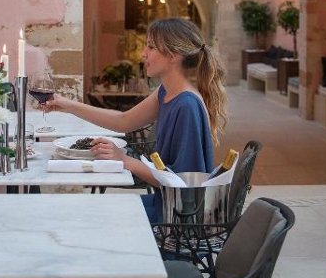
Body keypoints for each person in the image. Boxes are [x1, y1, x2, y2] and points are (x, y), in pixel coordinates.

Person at [45, 17, 228, 223]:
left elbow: (182, 184)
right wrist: (67, 106)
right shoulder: (167, 92)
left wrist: (124, 160)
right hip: (165, 204)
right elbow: (123, 121)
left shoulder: (186, 105)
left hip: (177, 220)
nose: (143, 53)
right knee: (90, 211)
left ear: (173, 56)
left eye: (151, 47)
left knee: (93, 219)